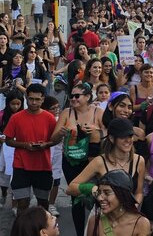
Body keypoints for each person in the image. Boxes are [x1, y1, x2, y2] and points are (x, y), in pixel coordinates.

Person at [50, 82, 105, 236]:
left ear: (87, 97)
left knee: (98, 196)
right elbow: (53, 139)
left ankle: (98, 230)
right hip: (71, 162)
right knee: (76, 198)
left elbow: (108, 135)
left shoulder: (98, 112)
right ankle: (80, 233)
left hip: (93, 160)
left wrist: (96, 131)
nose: (73, 99)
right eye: (71, 96)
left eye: (77, 96)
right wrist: (60, 133)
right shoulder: (66, 113)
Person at [4, 84, 57, 217]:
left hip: (43, 166)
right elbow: (8, 140)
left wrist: (46, 144)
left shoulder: (49, 118)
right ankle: (21, 230)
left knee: (43, 203)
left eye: (37, 99)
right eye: (31, 99)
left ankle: (42, 229)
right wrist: (24, 145)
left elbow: (56, 140)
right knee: (22, 203)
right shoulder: (16, 118)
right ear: (26, 98)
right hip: (21, 166)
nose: (34, 102)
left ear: (43, 99)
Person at [86, 169, 151, 236]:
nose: (100, 198)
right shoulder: (95, 221)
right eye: (99, 193)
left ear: (122, 195)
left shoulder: (141, 224)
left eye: (107, 193)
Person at [40, 96, 62, 217]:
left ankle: (51, 204)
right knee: (43, 181)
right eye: (53, 108)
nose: (56, 110)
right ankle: (42, 205)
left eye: (57, 107)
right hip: (43, 154)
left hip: (57, 154)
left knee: (56, 180)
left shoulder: (60, 120)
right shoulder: (42, 120)